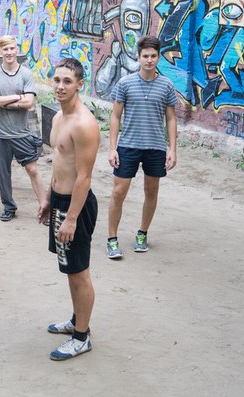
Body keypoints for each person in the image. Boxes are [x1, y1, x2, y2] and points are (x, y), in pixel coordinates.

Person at [38, 58, 100, 361]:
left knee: (79, 273)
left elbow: (83, 177)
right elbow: (60, 165)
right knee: (69, 269)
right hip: (60, 202)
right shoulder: (58, 118)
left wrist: (72, 218)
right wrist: (49, 199)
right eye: (57, 80)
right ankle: (77, 320)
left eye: (67, 81)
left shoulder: (84, 124)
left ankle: (81, 338)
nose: (60, 86)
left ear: (79, 85)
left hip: (77, 205)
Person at [106, 35, 178, 259]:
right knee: (118, 192)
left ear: (158, 58)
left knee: (151, 191)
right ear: (138, 57)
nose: (149, 60)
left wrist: (173, 149)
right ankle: (112, 239)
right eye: (145, 56)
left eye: (153, 56)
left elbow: (171, 119)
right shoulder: (125, 83)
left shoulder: (167, 85)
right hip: (128, 146)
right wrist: (112, 148)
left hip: (155, 147)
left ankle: (142, 233)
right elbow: (115, 116)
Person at [0, 35, 46, 222]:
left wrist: (3, 101)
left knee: (33, 170)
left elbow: (29, 103)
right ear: (0, 52)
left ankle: (45, 207)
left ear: (16, 49)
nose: (9, 52)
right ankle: (9, 207)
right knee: (4, 174)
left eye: (12, 48)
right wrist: (17, 97)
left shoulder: (25, 74)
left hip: (21, 133)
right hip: (0, 133)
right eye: (5, 49)